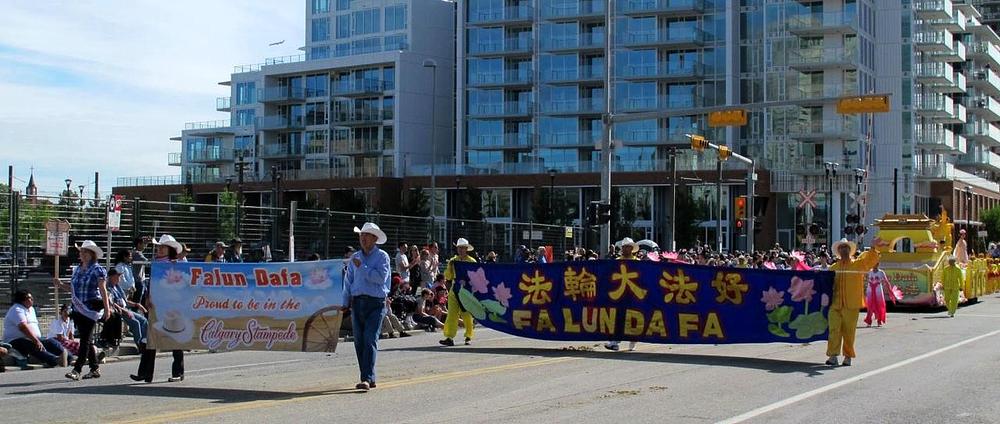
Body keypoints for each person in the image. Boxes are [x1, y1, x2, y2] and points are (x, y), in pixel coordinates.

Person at [342, 222, 391, 391]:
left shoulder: (382, 257)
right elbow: (348, 281)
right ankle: (369, 376)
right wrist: (344, 302)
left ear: (375, 238)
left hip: (375, 303)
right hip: (357, 302)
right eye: (361, 235)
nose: (363, 238)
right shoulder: (355, 256)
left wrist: (361, 267)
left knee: (370, 338)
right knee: (359, 341)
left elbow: (380, 278)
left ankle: (366, 378)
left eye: (366, 235)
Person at [132, 234, 186, 383]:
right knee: (151, 340)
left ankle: (178, 372)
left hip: (171, 305)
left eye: (163, 247)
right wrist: (148, 297)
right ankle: (145, 373)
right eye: (159, 247)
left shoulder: (176, 265)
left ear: (170, 250)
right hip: (156, 306)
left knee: (175, 339)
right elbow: (152, 283)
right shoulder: (156, 264)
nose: (160, 249)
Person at [53, 241, 110, 379]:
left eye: (85, 252)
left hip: (91, 309)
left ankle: (77, 369)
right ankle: (94, 368)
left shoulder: (97, 269)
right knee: (87, 340)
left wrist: (107, 309)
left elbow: (103, 290)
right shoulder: (77, 269)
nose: (82, 254)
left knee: (85, 339)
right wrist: (60, 285)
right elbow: (73, 289)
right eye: (81, 251)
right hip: (78, 309)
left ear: (92, 254)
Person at [826, 238, 879, 367]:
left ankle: (848, 356)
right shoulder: (833, 268)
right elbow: (825, 284)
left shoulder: (858, 265)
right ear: (838, 251)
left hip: (851, 304)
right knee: (834, 329)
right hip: (835, 304)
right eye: (841, 248)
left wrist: (873, 248)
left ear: (850, 251)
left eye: (846, 248)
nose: (844, 250)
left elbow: (871, 261)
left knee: (849, 332)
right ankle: (833, 356)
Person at [4, 290, 65, 367]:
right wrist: (36, 340)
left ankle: (68, 357)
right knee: (31, 344)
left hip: (32, 338)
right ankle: (54, 360)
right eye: (30, 298)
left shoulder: (31, 309)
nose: (32, 299)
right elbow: (23, 327)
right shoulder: (17, 309)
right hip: (15, 341)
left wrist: (37, 340)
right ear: (23, 300)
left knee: (50, 342)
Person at [439, 238, 477, 347]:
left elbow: (476, 277)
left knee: (466, 313)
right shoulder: (453, 260)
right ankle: (449, 337)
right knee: (452, 314)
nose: (460, 250)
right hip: (455, 289)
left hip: (467, 290)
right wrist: (450, 267)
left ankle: (468, 336)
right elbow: (448, 276)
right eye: (459, 248)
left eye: (463, 248)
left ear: (466, 249)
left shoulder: (472, 261)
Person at [606, 237, 640, 352]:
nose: (625, 249)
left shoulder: (637, 262)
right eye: (623, 247)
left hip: (633, 295)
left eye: (627, 247)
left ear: (631, 248)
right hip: (619, 295)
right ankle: (615, 341)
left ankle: (633, 341)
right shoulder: (617, 261)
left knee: (633, 319)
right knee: (618, 318)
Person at [107, 268, 149, 346]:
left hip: (125, 308)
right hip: (118, 311)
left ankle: (144, 341)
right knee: (136, 323)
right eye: (117, 276)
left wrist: (137, 304)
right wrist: (125, 310)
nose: (119, 278)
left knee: (143, 320)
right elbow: (112, 303)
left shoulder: (118, 287)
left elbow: (125, 301)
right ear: (111, 277)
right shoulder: (108, 288)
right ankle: (139, 345)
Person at [864, 263, 890, 327]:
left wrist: (889, 290)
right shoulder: (869, 272)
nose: (874, 265)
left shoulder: (881, 272)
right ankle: (869, 321)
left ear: (878, 264)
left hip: (878, 290)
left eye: (876, 264)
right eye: (873, 263)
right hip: (870, 290)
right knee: (870, 306)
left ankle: (879, 321)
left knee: (879, 305)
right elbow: (865, 279)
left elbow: (886, 281)